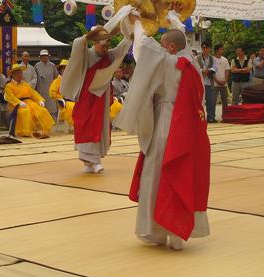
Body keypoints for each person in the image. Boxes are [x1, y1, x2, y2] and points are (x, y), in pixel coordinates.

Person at [116, 14, 210, 251]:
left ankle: (157, 231)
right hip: (186, 126)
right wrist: (176, 22)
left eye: (163, 43)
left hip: (165, 122)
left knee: (156, 172)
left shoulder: (166, 62)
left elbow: (143, 47)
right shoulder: (192, 65)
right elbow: (182, 46)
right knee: (181, 173)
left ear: (169, 46)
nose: (159, 45)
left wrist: (137, 22)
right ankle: (176, 233)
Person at [61, 26, 132, 174]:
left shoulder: (110, 56)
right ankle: (91, 161)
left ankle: (92, 161)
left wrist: (130, 33)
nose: (106, 48)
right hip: (87, 97)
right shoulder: (86, 55)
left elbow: (122, 48)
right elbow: (78, 44)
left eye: (107, 45)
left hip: (102, 97)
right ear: (95, 43)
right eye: (102, 45)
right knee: (85, 125)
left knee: (100, 127)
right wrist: (88, 36)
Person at [4, 64, 54, 137]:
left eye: (20, 73)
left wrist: (39, 100)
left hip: (29, 102)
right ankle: (25, 132)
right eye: (18, 73)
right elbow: (10, 97)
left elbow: (33, 93)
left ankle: (42, 130)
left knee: (41, 110)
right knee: (26, 111)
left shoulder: (25, 84)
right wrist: (19, 102)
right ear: (13, 75)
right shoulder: (9, 86)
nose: (20, 75)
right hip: (17, 105)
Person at [196, 42, 218, 123]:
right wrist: (202, 71)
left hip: (209, 82)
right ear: (202, 48)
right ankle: (199, 118)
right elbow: (195, 68)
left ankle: (211, 117)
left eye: (207, 48)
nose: (205, 49)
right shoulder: (196, 58)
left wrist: (208, 71)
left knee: (211, 101)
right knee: (199, 102)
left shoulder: (213, 58)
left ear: (209, 49)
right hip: (200, 83)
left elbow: (215, 68)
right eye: (204, 48)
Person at [34, 49, 58, 118]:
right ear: (40, 57)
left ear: (48, 57)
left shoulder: (52, 65)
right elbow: (35, 78)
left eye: (46, 56)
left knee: (52, 105)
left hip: (50, 88)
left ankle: (54, 119)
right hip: (41, 88)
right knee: (42, 104)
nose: (44, 57)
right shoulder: (37, 66)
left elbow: (56, 77)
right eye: (43, 56)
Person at [212, 44, 230, 111]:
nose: (222, 51)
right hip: (215, 83)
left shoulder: (225, 59)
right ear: (216, 50)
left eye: (222, 49)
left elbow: (227, 70)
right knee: (213, 101)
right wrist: (217, 80)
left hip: (224, 83)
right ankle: (212, 117)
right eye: (221, 49)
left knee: (225, 100)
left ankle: (225, 116)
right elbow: (212, 72)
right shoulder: (212, 59)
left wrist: (225, 80)